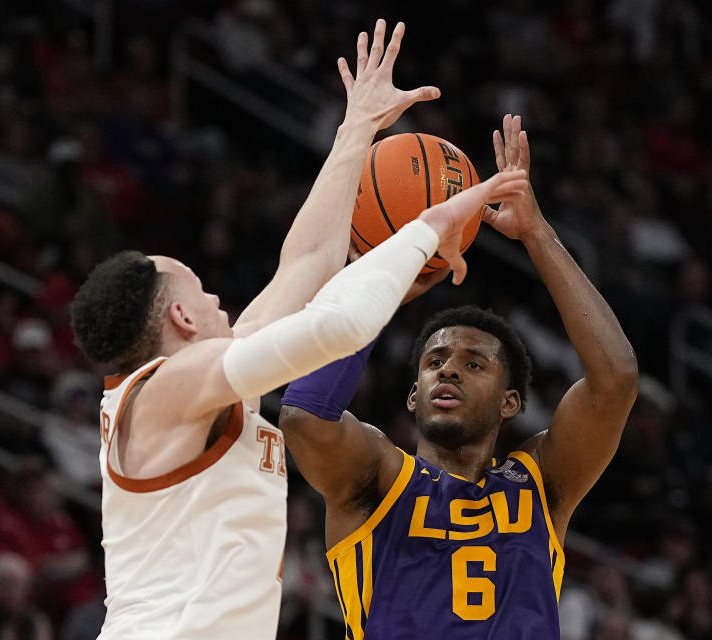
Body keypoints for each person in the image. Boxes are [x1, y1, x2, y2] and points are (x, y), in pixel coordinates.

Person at [68, 19, 530, 639]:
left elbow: (310, 263)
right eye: (200, 290)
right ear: (179, 318)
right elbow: (337, 324)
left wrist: (356, 130)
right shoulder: (168, 390)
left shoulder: (200, 388)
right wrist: (430, 225)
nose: (217, 297)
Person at [279, 115, 640, 638]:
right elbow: (305, 418)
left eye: (475, 364)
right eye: (434, 362)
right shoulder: (378, 479)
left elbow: (617, 380)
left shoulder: (541, 483)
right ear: (412, 396)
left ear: (511, 403)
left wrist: (537, 233)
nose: (448, 367)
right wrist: (386, 288)